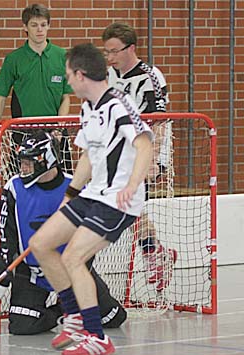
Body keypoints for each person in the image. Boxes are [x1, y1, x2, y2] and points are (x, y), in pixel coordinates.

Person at [27, 43, 153, 355]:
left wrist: (132, 184)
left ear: (81, 75)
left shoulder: (118, 105)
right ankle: (73, 316)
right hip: (92, 194)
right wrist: (69, 195)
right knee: (41, 243)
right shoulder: (87, 108)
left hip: (119, 200)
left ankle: (97, 337)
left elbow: (145, 145)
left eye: (69, 75)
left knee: (73, 257)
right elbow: (88, 156)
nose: (68, 81)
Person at [0, 131, 127, 336]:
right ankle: (62, 310)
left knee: (112, 317)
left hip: (71, 271)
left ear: (47, 160)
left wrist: (79, 272)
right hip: (32, 274)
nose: (23, 168)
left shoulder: (76, 187)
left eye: (28, 163)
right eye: (22, 162)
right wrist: (2, 278)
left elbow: (89, 237)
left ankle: (73, 304)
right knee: (22, 326)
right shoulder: (14, 187)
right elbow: (7, 238)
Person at [102, 22, 177, 291]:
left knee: (128, 204)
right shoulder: (109, 75)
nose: (110, 57)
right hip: (121, 151)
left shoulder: (150, 76)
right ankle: (156, 253)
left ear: (130, 48)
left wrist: (153, 160)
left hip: (147, 150)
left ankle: (154, 254)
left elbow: (160, 121)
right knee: (127, 207)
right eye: (106, 52)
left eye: (114, 51)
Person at [0, 4, 73, 171]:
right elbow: (1, 97)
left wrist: (59, 127)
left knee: (62, 181)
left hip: (54, 132)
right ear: (25, 27)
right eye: (34, 25)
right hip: (24, 131)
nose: (39, 29)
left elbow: (66, 97)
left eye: (43, 24)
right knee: (22, 179)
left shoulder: (62, 56)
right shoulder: (14, 59)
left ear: (49, 26)